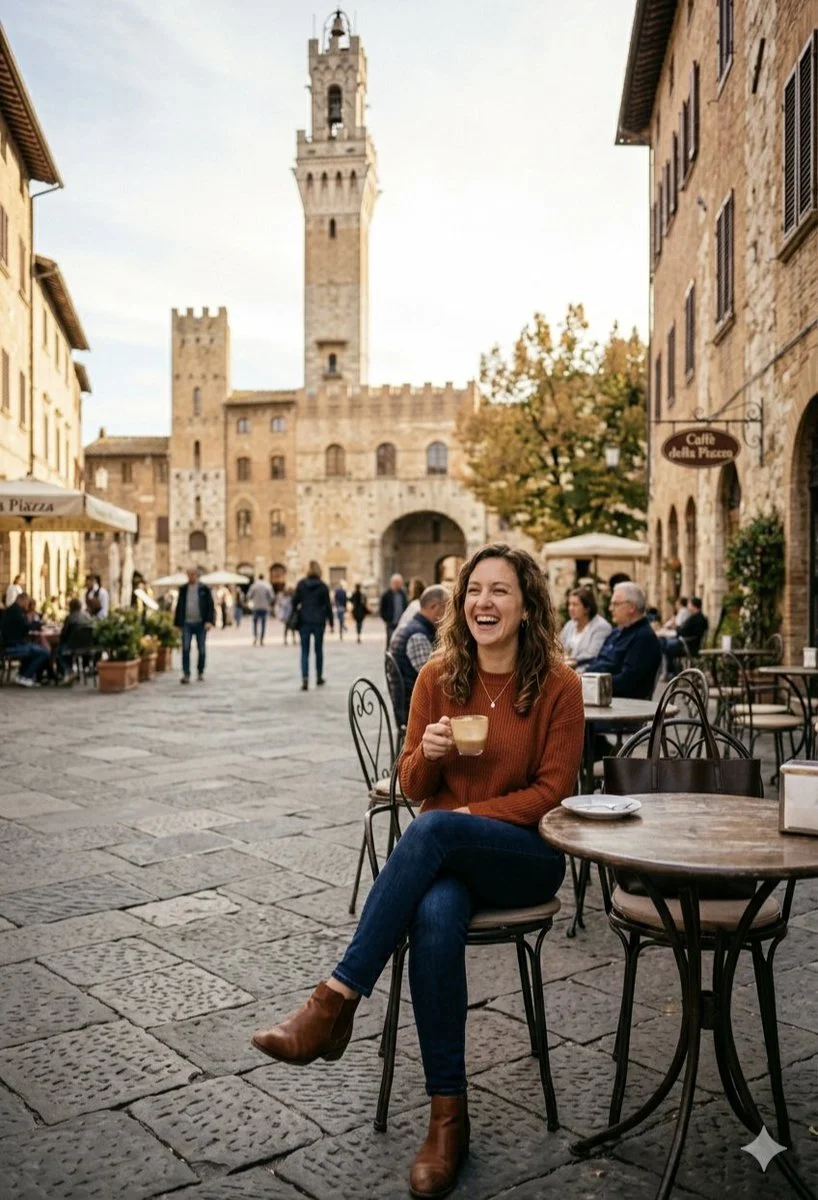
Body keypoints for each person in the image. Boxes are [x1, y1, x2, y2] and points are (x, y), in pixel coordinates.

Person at [251, 544, 584, 1198]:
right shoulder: (438, 677)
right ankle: (447, 1119)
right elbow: (407, 781)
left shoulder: (558, 685)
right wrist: (428, 756)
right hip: (446, 856)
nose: (484, 602)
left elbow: (552, 795)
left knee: (434, 828)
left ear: (526, 606)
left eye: (500, 591)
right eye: (474, 591)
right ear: (460, 603)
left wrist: (462, 813)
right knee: (434, 917)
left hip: (524, 858)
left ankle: (335, 1001)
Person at [584, 581, 662, 699]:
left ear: (631, 607)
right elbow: (599, 660)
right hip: (598, 695)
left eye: (615, 604)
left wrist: (587, 683)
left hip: (620, 704)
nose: (610, 608)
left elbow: (627, 682)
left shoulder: (644, 638)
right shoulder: (617, 632)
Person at [388, 584, 448, 705]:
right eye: (447, 607)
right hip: (413, 706)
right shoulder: (417, 635)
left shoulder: (413, 626)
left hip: (409, 700)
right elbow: (434, 679)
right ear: (434, 607)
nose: (450, 612)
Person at [291, 561, 333, 690]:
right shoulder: (323, 586)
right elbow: (328, 605)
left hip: (304, 620)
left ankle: (305, 678)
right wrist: (331, 622)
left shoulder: (301, 584)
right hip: (319, 621)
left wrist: (297, 611)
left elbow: (294, 601)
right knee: (318, 650)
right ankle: (319, 677)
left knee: (304, 651)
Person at [0, 591, 51, 687]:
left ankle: (22, 675)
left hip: (13, 643)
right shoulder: (15, 611)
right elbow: (26, 626)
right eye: (27, 602)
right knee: (44, 652)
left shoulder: (12, 610)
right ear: (21, 600)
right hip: (13, 645)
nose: (27, 605)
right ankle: (26, 676)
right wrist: (37, 624)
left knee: (36, 650)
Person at [174, 568, 216, 684]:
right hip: (187, 623)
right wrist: (177, 623)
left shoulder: (204, 588)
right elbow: (179, 606)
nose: (191, 577)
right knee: (186, 648)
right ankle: (186, 673)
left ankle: (200, 671)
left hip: (200, 623)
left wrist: (209, 621)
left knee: (201, 649)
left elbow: (210, 606)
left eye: (193, 574)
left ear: (197, 575)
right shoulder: (183, 589)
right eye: (189, 575)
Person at [559, 587, 611, 672]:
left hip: (587, 672)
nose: (570, 608)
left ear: (587, 608)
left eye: (575, 604)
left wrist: (568, 662)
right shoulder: (570, 625)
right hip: (567, 670)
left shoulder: (601, 627)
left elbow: (592, 655)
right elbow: (559, 647)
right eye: (569, 604)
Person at [663, 596, 709, 677]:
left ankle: (672, 673)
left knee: (667, 646)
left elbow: (683, 630)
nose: (688, 607)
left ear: (694, 606)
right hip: (689, 643)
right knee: (666, 644)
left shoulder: (696, 618)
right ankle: (672, 672)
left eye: (689, 605)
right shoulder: (697, 617)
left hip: (689, 645)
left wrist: (677, 629)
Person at [56, 598, 93, 683]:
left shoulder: (70, 617)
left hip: (73, 646)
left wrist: (60, 642)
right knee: (65, 649)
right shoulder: (87, 616)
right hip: (87, 646)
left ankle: (68, 671)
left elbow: (64, 634)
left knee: (59, 651)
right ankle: (69, 673)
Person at [379, 572, 408, 648]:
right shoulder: (386, 595)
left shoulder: (403, 594)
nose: (397, 585)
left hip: (401, 623)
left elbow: (405, 606)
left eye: (399, 583)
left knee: (400, 643)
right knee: (390, 642)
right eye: (396, 583)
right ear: (392, 583)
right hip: (391, 623)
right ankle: (388, 659)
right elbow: (382, 609)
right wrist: (387, 619)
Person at [247, 573, 275, 646]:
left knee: (255, 623)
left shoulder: (254, 586)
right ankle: (262, 639)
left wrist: (254, 599)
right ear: (264, 578)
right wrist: (267, 601)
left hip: (256, 607)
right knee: (263, 623)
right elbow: (272, 597)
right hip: (265, 607)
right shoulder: (267, 586)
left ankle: (255, 637)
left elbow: (248, 596)